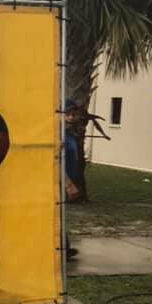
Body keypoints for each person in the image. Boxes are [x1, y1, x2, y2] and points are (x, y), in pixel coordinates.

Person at [64, 99, 81, 260]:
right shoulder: (57, 136)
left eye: (73, 115)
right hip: (60, 184)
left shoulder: (70, 135)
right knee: (56, 216)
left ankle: (64, 248)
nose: (70, 118)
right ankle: (63, 248)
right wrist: (68, 184)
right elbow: (55, 162)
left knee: (60, 216)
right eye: (67, 114)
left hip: (67, 184)